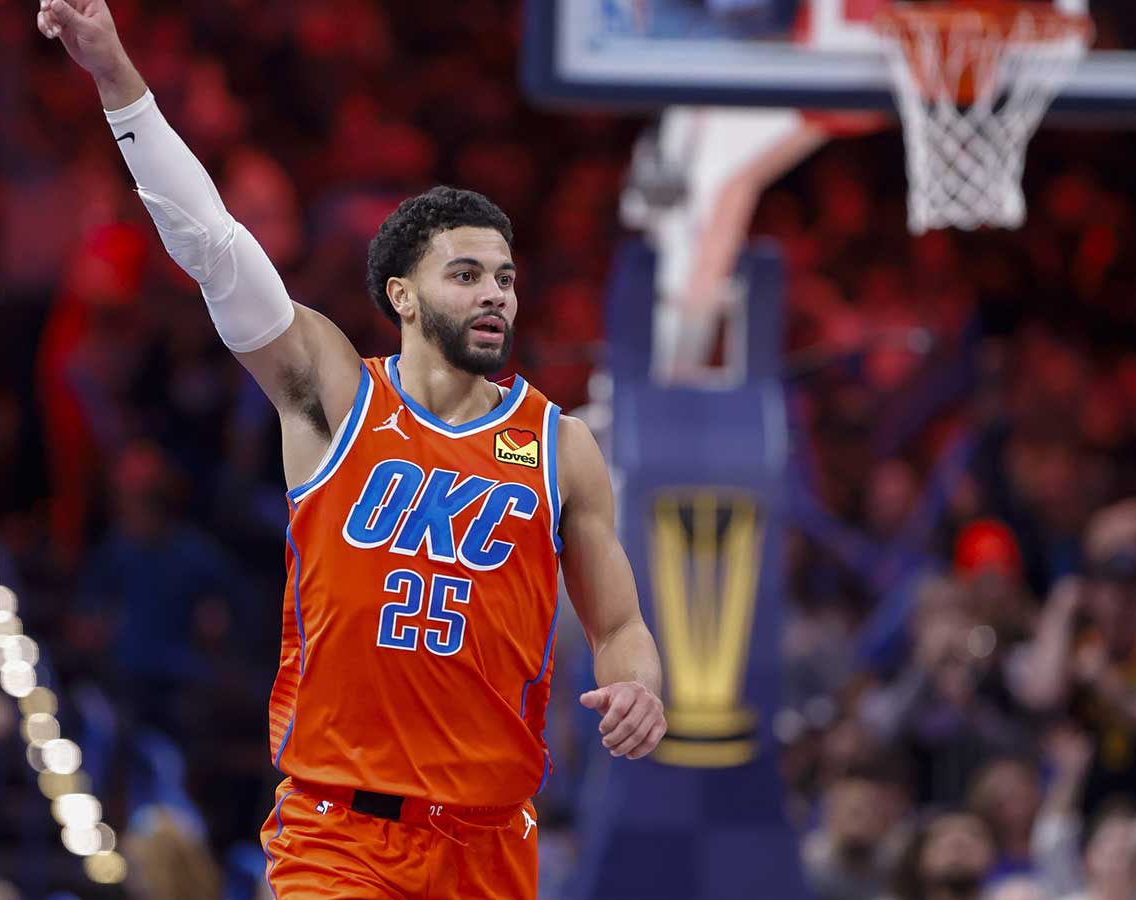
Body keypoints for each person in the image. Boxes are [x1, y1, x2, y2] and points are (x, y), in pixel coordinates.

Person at [37, 1, 667, 896]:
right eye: (466, 275)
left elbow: (620, 629)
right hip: (340, 836)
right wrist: (116, 77)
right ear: (402, 296)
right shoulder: (336, 395)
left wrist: (638, 684)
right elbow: (213, 244)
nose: (495, 294)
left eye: (505, 277)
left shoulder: (561, 446)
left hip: (491, 844)